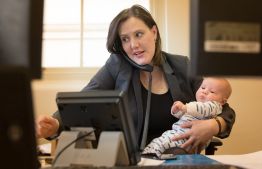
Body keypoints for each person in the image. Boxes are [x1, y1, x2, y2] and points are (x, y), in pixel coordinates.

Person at [36, 5, 236, 153]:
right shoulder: (116, 65)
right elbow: (82, 103)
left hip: (178, 159)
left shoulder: (182, 66)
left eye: (139, 34)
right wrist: (55, 124)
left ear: (154, 32)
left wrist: (214, 125)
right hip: (133, 160)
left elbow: (224, 107)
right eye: (125, 39)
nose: (133, 45)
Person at [142, 77, 232, 157]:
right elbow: (184, 116)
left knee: (162, 144)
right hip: (177, 133)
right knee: (158, 143)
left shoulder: (214, 106)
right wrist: (177, 111)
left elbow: (200, 109)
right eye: (203, 87)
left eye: (212, 91)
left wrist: (185, 107)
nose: (204, 91)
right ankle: (148, 156)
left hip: (188, 138)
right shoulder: (195, 104)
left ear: (223, 101)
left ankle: (149, 157)